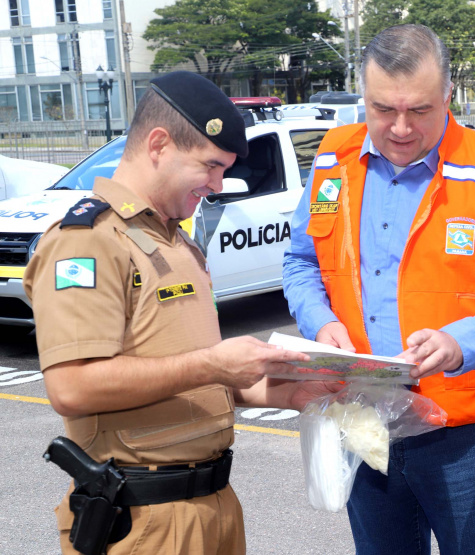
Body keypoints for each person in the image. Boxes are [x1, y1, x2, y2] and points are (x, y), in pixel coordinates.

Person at [24, 70, 337, 555]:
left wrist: (295, 391)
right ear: (158, 145)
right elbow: (72, 387)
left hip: (211, 506)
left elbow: (198, 380)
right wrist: (211, 364)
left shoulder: (177, 241)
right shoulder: (86, 242)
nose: (218, 184)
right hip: (143, 518)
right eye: (210, 166)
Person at [283, 24, 475, 554]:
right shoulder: (331, 163)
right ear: (363, 95)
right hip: (364, 413)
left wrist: (460, 343)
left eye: (420, 110)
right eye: (383, 109)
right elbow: (300, 264)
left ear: (448, 95)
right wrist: (321, 323)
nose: (400, 128)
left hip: (465, 431)